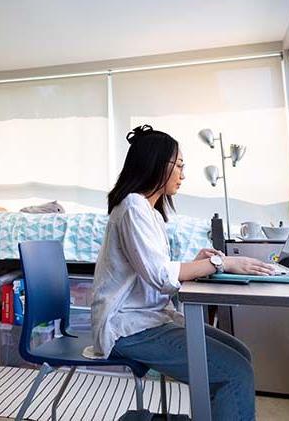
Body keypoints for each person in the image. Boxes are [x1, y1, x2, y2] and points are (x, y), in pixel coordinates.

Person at [91, 125, 273, 421]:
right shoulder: (133, 208)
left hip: (149, 319)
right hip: (127, 327)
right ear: (156, 165)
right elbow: (161, 276)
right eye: (179, 165)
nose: (183, 174)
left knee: (240, 354)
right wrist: (220, 264)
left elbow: (155, 269)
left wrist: (195, 263)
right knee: (234, 372)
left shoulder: (148, 212)